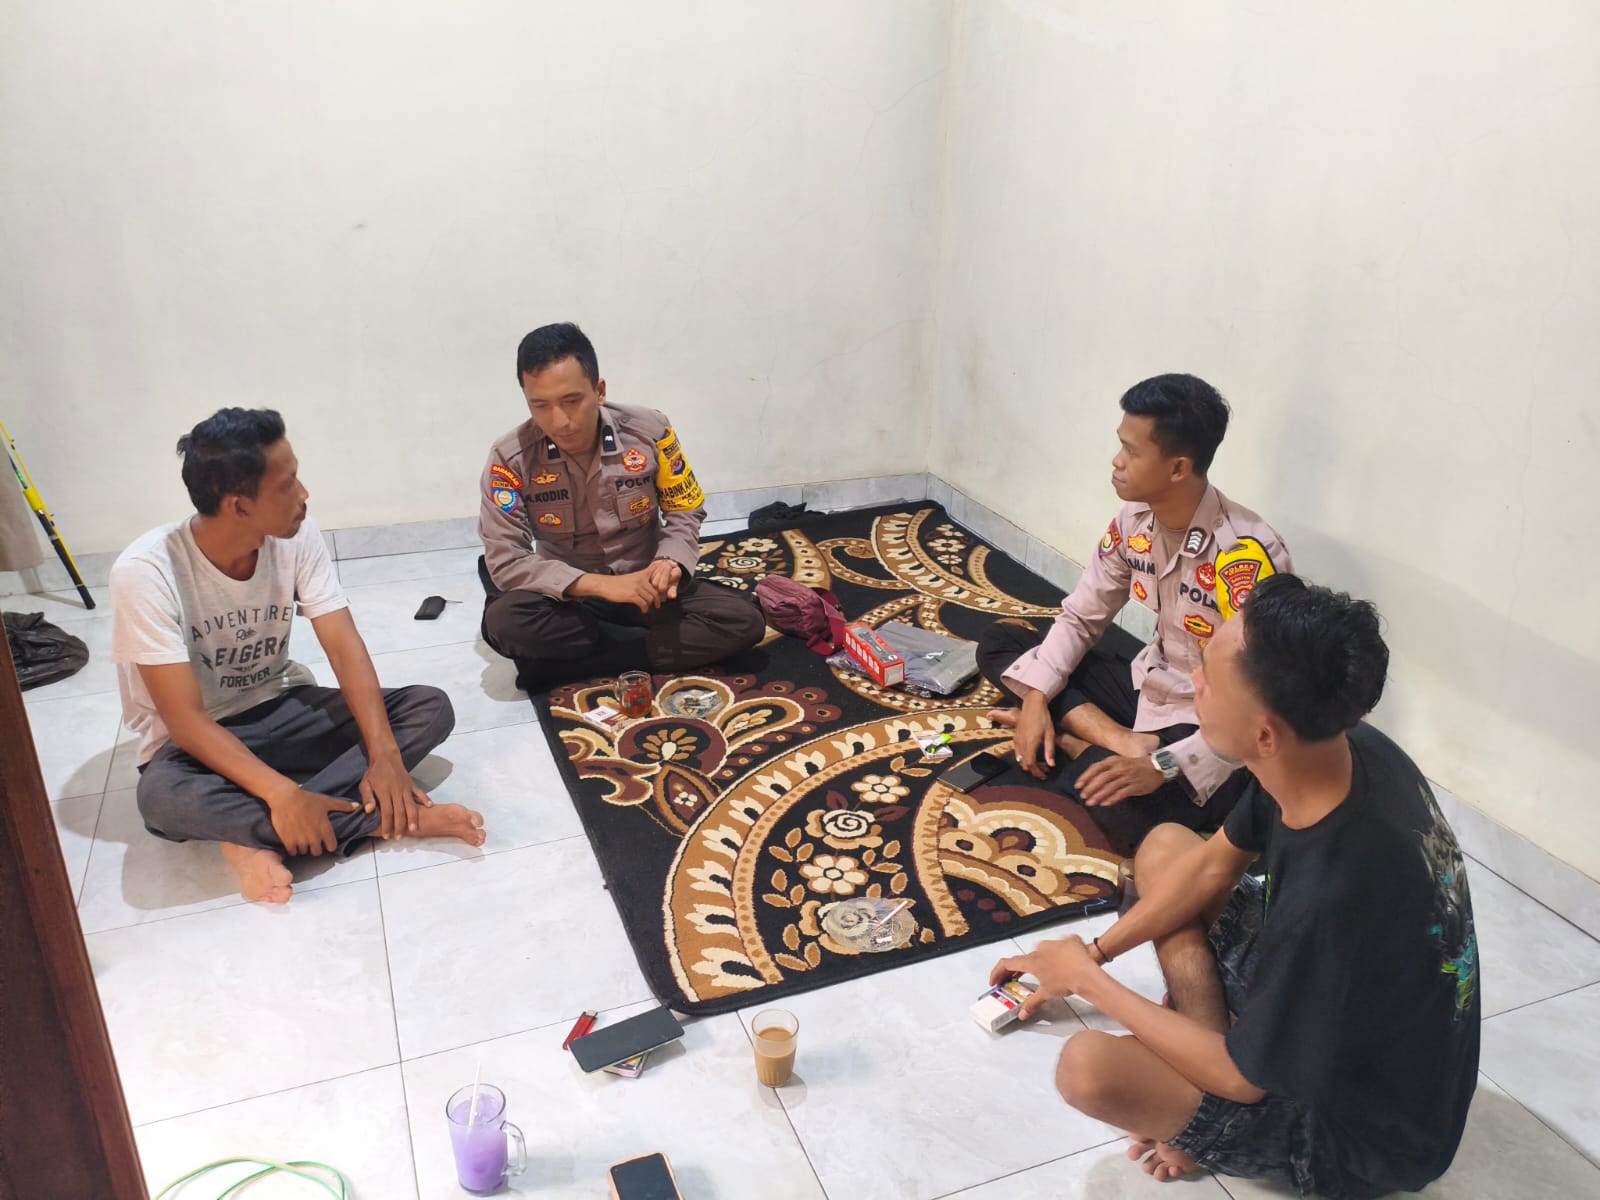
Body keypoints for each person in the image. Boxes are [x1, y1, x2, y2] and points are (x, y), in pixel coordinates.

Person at [989, 574, 1480, 1198]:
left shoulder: (1330, 897)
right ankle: (1207, 1044)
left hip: (1360, 1138)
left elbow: (1244, 1081)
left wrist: (1087, 981)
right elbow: (1211, 866)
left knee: (1089, 1070)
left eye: (1210, 679)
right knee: (1167, 847)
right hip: (1343, 1020)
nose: (1194, 682)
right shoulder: (1340, 746)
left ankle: (1202, 1098)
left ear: (1264, 733)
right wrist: (1092, 953)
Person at [110, 409, 484, 904]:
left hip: (283, 706)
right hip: (199, 743)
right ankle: (375, 821)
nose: (304, 494)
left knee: (429, 708)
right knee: (160, 799)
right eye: (287, 484)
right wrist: (282, 793)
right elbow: (186, 721)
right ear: (239, 505)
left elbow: (343, 645)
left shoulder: (296, 536)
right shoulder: (145, 572)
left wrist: (385, 756)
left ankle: (254, 837)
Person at [979, 373, 1291, 847]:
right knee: (1002, 642)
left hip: (1211, 719)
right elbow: (1082, 616)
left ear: (1178, 468)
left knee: (1122, 809)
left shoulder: (1246, 556)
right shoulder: (1134, 521)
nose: (1116, 460)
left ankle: (1075, 741)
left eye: (1131, 450)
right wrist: (1038, 698)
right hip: (1151, 686)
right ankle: (1113, 739)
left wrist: (1163, 765)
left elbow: (1262, 698)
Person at [479, 322, 765, 687]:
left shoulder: (650, 431)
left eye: (572, 401)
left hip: (648, 589)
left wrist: (670, 561)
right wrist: (600, 586)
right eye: (540, 405)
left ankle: (586, 660)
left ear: (599, 391)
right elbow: (506, 560)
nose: (560, 421)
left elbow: (684, 508)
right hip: (569, 600)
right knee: (504, 623)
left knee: (743, 620)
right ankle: (643, 649)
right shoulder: (510, 458)